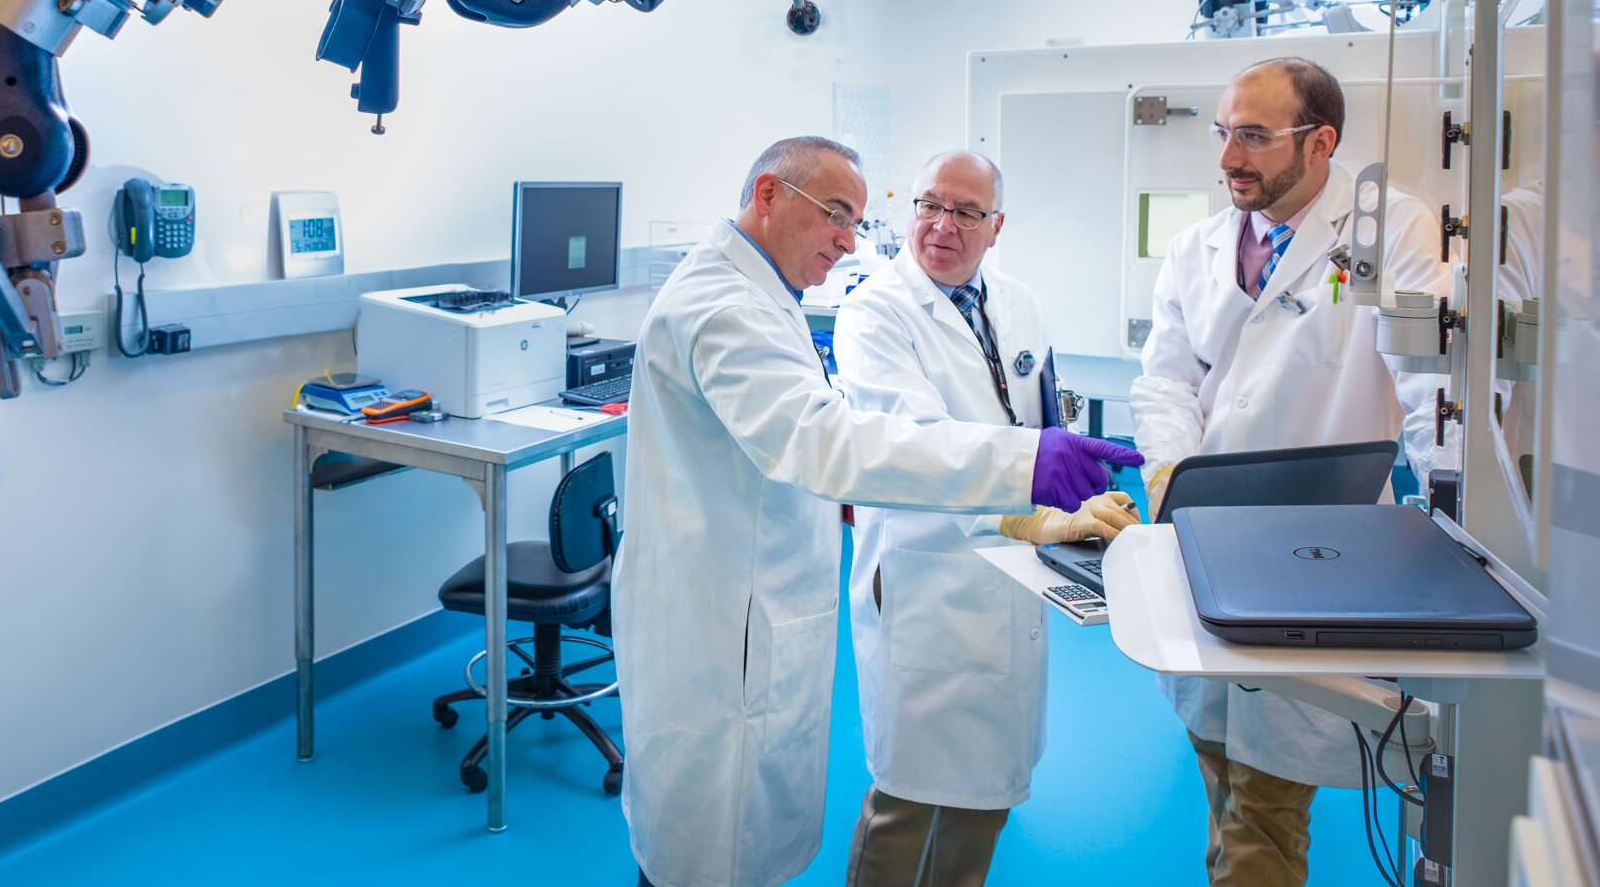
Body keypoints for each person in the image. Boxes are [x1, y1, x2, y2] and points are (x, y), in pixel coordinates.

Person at [613, 136, 1142, 887]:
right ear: (768, 196)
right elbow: (826, 443)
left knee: (734, 845)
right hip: (725, 622)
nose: (849, 240)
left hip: (762, 605)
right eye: (836, 214)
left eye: (858, 220)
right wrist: (1024, 467)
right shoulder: (726, 308)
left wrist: (1045, 476)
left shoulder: (763, 298)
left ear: (997, 225)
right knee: (704, 853)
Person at [1128, 58, 1449, 887]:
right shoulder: (1197, 246)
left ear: (1321, 143)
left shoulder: (1390, 231)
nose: (1230, 157)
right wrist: (1169, 475)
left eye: (1255, 137)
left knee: (1265, 805)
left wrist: (1456, 514)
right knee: (1223, 773)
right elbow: (1167, 377)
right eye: (1224, 132)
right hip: (1199, 539)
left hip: (1317, 558)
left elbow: (1432, 386)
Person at [837, 150, 1137, 887]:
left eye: (966, 212)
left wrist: (1071, 506)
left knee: (987, 796)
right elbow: (913, 442)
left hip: (1012, 583)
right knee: (904, 804)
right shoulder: (873, 312)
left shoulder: (1021, 304)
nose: (942, 225)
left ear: (995, 226)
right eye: (928, 205)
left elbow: (1037, 414)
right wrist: (1029, 486)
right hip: (924, 579)